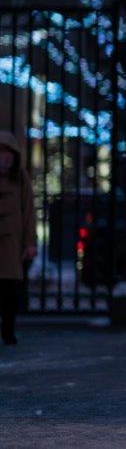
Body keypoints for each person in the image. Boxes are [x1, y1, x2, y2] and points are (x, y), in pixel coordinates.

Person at [0, 131, 37, 346]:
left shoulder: (20, 177)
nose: (4, 157)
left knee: (10, 290)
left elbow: (29, 211)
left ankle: (8, 330)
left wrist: (30, 242)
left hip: (12, 244)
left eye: (8, 153)